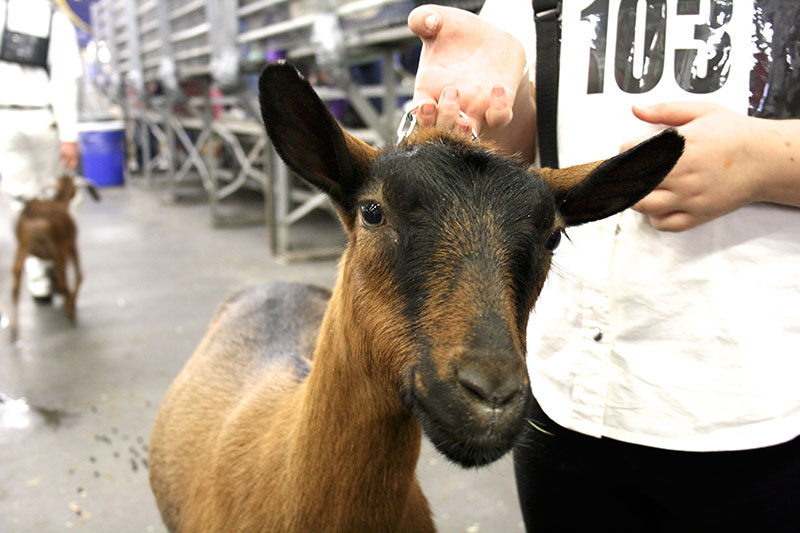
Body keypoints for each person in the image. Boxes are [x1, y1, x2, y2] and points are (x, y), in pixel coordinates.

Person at [407, 1, 800, 531]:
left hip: (746, 405)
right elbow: (518, 151)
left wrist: (769, 160)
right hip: (561, 389)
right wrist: (490, 109)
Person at [0, 0, 83, 301]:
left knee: (22, 200)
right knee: (54, 198)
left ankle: (38, 275)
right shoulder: (56, 19)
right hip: (43, 119)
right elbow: (65, 79)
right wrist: (69, 135)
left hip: (8, 118)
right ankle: (51, 262)